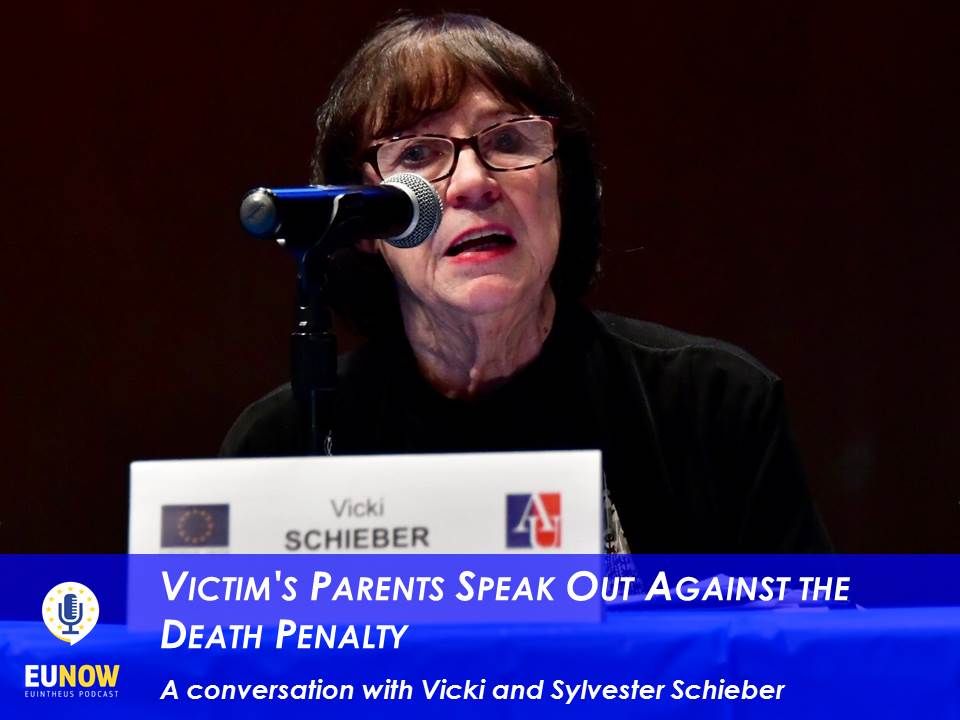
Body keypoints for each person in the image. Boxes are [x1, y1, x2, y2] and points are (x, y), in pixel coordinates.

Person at [222, 12, 831, 553]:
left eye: (509, 141)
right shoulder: (280, 446)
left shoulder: (712, 408)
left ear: (562, 185)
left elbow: (803, 641)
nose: (472, 183)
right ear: (364, 223)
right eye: (418, 155)